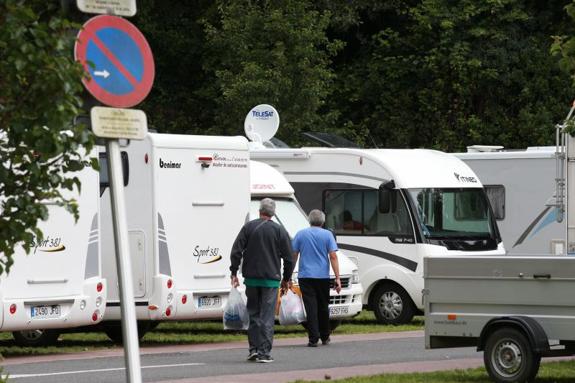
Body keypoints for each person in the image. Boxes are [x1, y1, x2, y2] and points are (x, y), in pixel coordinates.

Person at [230, 198, 294, 363]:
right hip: (271, 281)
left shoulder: (249, 227)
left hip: (251, 279)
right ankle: (264, 353)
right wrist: (286, 278)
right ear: (273, 213)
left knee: (253, 314)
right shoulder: (279, 231)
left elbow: (236, 250)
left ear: (259, 211)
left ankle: (253, 350)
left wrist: (234, 272)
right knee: (267, 316)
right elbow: (289, 258)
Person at [292, 209, 342, 347]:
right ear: (323, 221)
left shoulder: (300, 234)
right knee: (323, 306)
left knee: (310, 307)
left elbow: (294, 254)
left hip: (306, 276)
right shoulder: (328, 235)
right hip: (322, 277)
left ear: (309, 220)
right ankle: (325, 336)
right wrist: (337, 278)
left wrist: (289, 273)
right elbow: (333, 256)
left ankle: (313, 338)